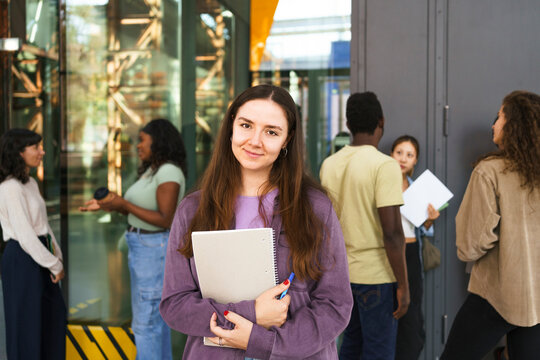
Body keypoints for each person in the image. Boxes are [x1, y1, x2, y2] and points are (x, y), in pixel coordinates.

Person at [159, 84, 353, 359]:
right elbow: (175, 305)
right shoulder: (193, 210)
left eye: (271, 132)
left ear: (287, 140)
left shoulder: (314, 208)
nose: (254, 141)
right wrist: (252, 315)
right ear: (231, 128)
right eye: (246, 125)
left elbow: (335, 305)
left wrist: (260, 341)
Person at [441, 90, 540, 359]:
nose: (493, 124)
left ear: (513, 125)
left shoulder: (489, 172)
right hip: (536, 298)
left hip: (497, 293)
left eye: (499, 117)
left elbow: (470, 246)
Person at [81, 118, 187, 360]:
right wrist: (112, 206)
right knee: (153, 323)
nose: (137, 146)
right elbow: (138, 210)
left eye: (142, 140)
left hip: (153, 248)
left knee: (146, 325)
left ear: (158, 142)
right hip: (144, 248)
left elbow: (165, 219)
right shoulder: (153, 170)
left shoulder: (169, 171)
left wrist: (124, 203)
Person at [320, 91, 410, 360]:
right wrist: (404, 286)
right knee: (378, 351)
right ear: (381, 121)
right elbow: (393, 233)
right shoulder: (384, 166)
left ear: (348, 125)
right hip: (377, 278)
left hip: (340, 274)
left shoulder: (329, 165)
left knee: (350, 345)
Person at [0, 128, 66, 359]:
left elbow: (43, 227)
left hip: (39, 254)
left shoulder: (30, 183)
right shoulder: (9, 188)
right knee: (25, 328)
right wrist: (54, 264)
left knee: (51, 320)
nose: (42, 151)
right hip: (21, 258)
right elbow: (26, 236)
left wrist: (57, 258)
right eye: (36, 147)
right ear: (19, 152)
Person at [390, 135, 440, 360]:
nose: (403, 159)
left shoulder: (418, 190)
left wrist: (430, 220)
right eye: (399, 152)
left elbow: (422, 229)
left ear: (415, 160)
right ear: (391, 154)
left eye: (409, 155)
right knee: (388, 309)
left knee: (411, 314)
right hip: (388, 253)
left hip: (410, 253)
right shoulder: (382, 184)